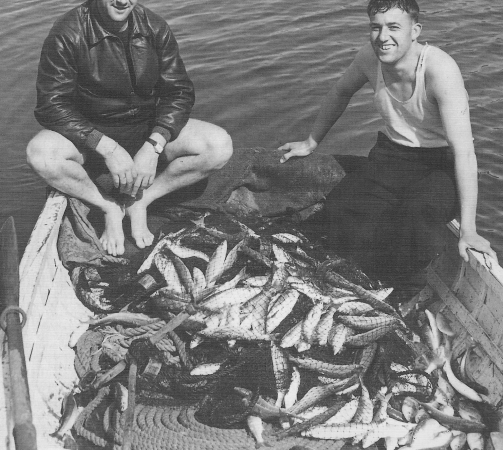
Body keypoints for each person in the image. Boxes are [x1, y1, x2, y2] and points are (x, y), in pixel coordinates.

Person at [278, 0, 497, 280]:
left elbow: (465, 153)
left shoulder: (440, 70)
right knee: (340, 209)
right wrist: (311, 141)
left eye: (394, 27)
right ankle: (347, 275)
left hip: (442, 164)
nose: (383, 37)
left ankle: (400, 285)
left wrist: (469, 229)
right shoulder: (369, 58)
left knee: (414, 217)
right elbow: (340, 92)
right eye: (375, 28)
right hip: (393, 156)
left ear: (415, 30)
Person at [27, 0, 233, 256]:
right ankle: (109, 206)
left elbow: (179, 93)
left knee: (219, 145)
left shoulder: (154, 26)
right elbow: (51, 105)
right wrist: (106, 147)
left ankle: (141, 200)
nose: (123, 1)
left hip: (146, 129)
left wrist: (155, 144)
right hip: (91, 135)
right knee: (40, 154)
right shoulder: (67, 32)